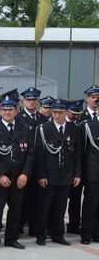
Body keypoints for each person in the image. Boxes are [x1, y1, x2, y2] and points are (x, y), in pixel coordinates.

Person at [0, 95, 33, 250]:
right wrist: (0, 175)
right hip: (0, 178)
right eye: (4, 110)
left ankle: (11, 238)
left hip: (18, 177)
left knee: (16, 210)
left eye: (10, 110)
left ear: (16, 111)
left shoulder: (24, 129)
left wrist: (25, 173)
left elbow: (31, 153)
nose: (7, 113)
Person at [34, 99, 81, 246]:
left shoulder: (74, 129)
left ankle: (58, 234)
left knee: (60, 208)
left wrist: (77, 174)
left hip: (66, 175)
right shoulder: (43, 129)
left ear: (67, 112)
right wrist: (41, 175)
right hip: (49, 174)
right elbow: (38, 155)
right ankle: (41, 234)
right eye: (54, 112)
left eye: (60, 112)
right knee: (44, 207)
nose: (57, 115)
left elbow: (78, 154)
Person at [17, 87, 46, 238]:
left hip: (39, 165)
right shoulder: (18, 118)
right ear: (23, 101)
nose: (31, 101)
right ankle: (18, 226)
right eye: (28, 99)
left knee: (38, 198)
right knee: (21, 199)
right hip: (23, 164)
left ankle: (35, 227)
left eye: (34, 99)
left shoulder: (43, 119)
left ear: (38, 101)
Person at [79, 90, 99, 244]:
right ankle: (86, 234)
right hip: (92, 171)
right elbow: (82, 150)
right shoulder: (87, 124)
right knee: (90, 203)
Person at [66, 100, 84, 235]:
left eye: (78, 114)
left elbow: (79, 152)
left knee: (76, 199)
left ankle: (74, 224)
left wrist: (78, 172)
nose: (76, 117)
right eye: (73, 114)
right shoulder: (57, 124)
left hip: (75, 170)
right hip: (58, 171)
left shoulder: (80, 126)